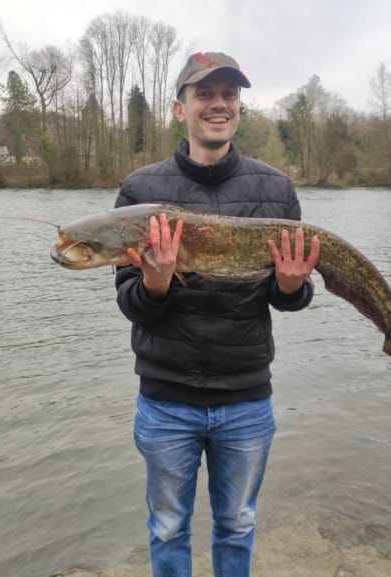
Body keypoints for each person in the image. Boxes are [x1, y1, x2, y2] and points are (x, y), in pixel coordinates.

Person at [114, 51, 320, 577]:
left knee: (238, 524)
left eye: (229, 94)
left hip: (246, 398)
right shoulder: (140, 193)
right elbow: (129, 302)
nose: (218, 103)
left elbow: (288, 298)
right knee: (166, 527)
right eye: (204, 93)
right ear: (179, 109)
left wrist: (292, 286)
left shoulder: (276, 191)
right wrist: (155, 286)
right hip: (165, 400)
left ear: (239, 109)